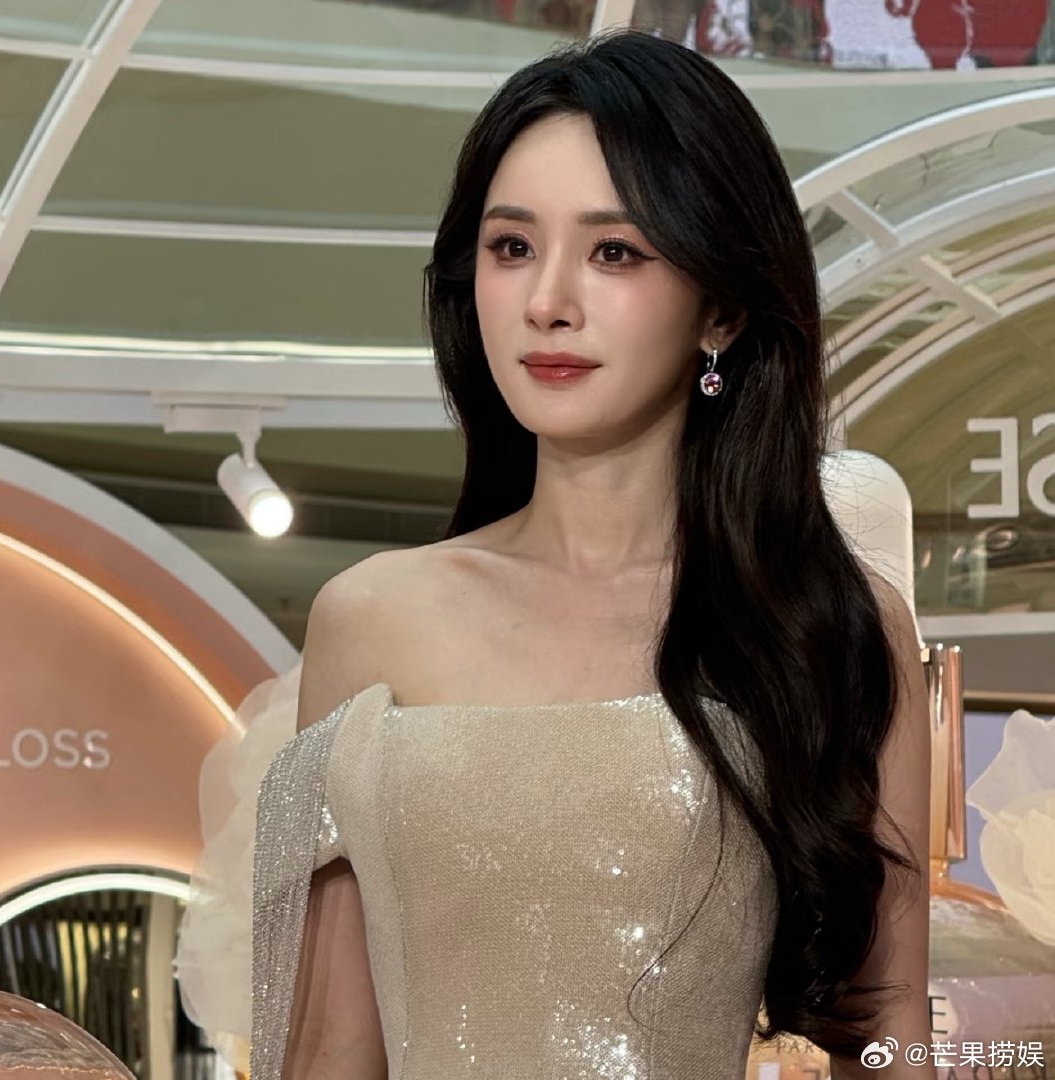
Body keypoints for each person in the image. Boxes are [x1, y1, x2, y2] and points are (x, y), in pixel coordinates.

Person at [248, 28, 934, 1080]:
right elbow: (331, 1053)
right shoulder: (370, 619)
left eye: (615, 252)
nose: (547, 302)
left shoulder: (827, 624)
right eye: (511, 247)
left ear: (721, 308)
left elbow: (885, 1033)